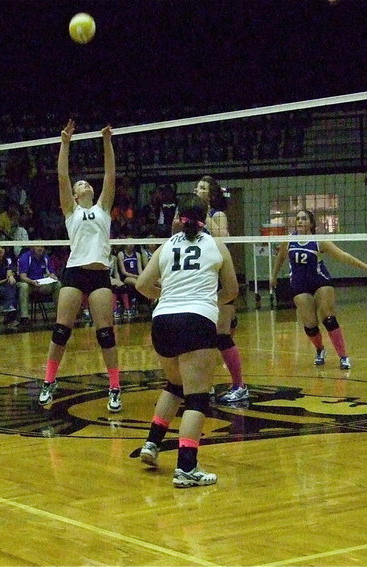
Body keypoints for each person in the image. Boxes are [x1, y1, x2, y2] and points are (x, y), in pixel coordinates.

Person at [136, 195, 239, 487]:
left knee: (175, 386)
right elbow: (231, 289)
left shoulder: (166, 246)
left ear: (179, 217)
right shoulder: (216, 246)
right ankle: (186, 468)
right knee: (197, 398)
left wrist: (169, 297)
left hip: (162, 322)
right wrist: (206, 300)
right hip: (195, 321)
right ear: (205, 218)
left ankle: (152, 444)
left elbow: (143, 285)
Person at [37, 120, 122, 413]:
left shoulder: (103, 209)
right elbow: (62, 176)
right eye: (79, 184)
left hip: (99, 273)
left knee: (105, 333)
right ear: (74, 195)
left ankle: (114, 387)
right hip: (74, 272)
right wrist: (65, 143)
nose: (83, 184)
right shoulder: (71, 212)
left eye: (86, 182)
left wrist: (107, 142)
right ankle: (49, 381)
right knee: (61, 330)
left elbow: (110, 174)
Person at [270, 209, 367, 370]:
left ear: (311, 223)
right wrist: (273, 276)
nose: (300, 221)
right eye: (298, 219)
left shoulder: (319, 241)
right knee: (310, 325)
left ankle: (343, 357)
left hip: (320, 281)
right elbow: (280, 257)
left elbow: (343, 256)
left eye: (304, 219)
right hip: (299, 284)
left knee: (329, 318)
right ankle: (320, 350)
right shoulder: (289, 241)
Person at [190, 175, 247, 404]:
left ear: (211, 194)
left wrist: (204, 214)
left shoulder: (217, 215)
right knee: (204, 337)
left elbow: (224, 238)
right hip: (201, 278)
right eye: (198, 186)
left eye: (203, 187)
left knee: (222, 336)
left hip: (220, 276)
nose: (198, 189)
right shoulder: (191, 216)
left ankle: (239, 386)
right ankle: (206, 384)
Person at [16, 245, 61, 328]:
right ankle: (24, 318)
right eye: (38, 246)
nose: (40, 248)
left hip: (41, 284)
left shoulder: (45, 258)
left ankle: (60, 316)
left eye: (42, 246)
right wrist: (32, 282)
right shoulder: (25, 257)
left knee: (57, 284)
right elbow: (22, 277)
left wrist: (52, 276)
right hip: (28, 284)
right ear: (32, 247)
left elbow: (51, 272)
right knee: (23, 286)